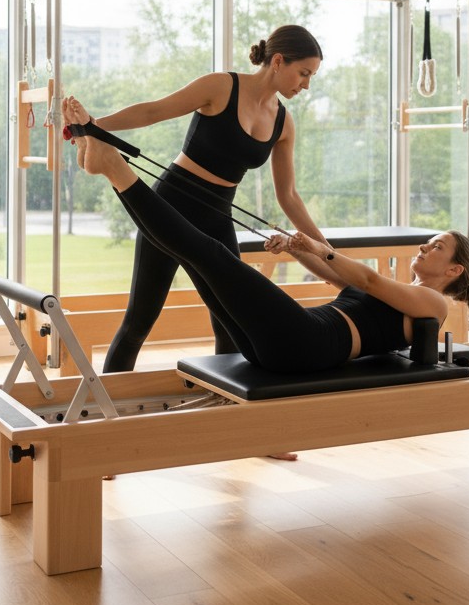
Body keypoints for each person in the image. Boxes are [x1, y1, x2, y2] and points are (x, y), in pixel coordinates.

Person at [64, 95, 469, 373]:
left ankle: (115, 169)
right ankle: (107, 161)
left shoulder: (433, 302)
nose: (425, 246)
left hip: (309, 341)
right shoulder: (407, 292)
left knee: (209, 253)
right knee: (201, 259)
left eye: (437, 246)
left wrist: (322, 247)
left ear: (453, 270)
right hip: (289, 340)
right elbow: (336, 279)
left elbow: (367, 279)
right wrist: (296, 249)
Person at [79, 25, 329, 373]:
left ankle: (220, 404)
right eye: (303, 73)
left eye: (311, 77)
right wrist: (90, 127)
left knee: (231, 323)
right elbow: (154, 111)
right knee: (139, 320)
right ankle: (105, 413)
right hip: (170, 206)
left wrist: (325, 249)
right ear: (277, 61)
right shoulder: (221, 86)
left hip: (218, 218)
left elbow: (288, 196)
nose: (305, 85)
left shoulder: (284, 123)